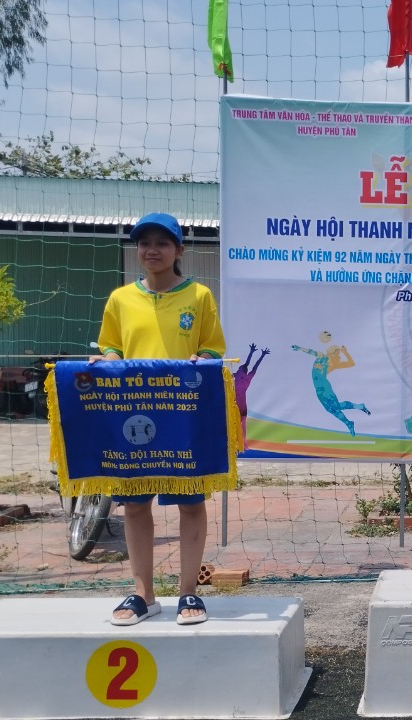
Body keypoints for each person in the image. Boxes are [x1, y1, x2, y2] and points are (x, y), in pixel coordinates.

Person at [92, 212, 226, 626]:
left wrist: (201, 359)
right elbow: (111, 346)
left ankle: (188, 593)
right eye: (144, 243)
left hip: (182, 412)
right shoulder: (120, 299)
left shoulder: (199, 296)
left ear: (179, 250)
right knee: (135, 504)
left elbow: (213, 348)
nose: (152, 250)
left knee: (190, 503)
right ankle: (143, 594)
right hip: (134, 413)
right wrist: (107, 360)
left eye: (162, 243)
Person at [291, 331, 370, 436]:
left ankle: (354, 414)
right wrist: (299, 348)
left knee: (335, 406)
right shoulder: (322, 356)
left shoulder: (334, 363)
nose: (337, 354)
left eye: (338, 353)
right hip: (318, 388)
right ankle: (353, 417)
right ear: (330, 352)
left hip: (324, 386)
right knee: (331, 409)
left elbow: (351, 364)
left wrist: (345, 352)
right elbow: (311, 352)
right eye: (336, 352)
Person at [234, 343, 270, 449]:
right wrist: (257, 353)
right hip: (238, 402)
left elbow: (251, 365)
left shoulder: (241, 375)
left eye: (240, 369)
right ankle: (240, 442)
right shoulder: (239, 374)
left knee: (242, 423)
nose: (239, 369)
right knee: (241, 423)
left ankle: (243, 442)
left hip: (239, 403)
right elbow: (250, 364)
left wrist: (259, 354)